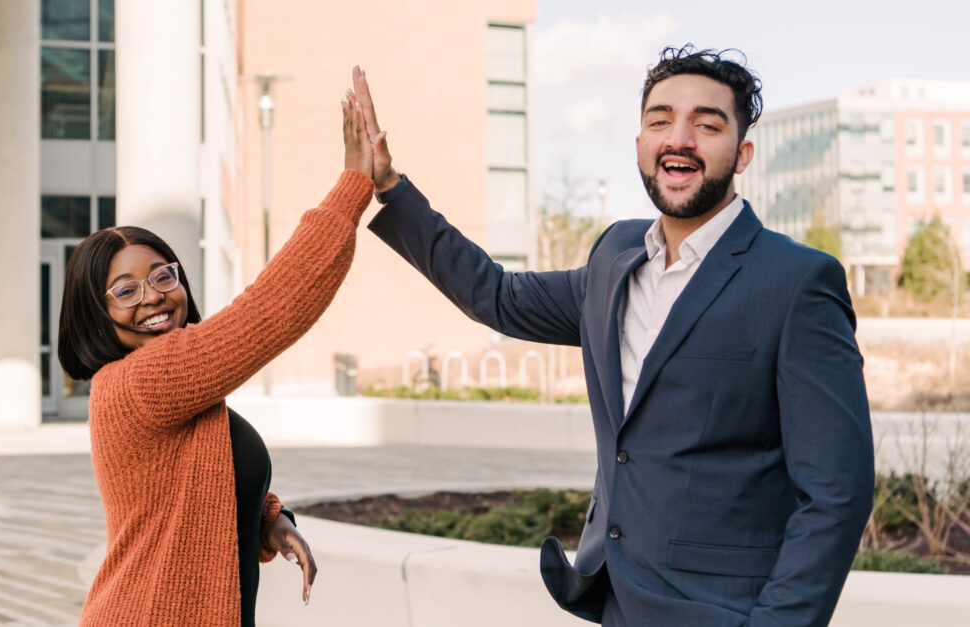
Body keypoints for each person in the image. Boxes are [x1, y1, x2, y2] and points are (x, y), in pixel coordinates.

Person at [351, 46, 874, 627]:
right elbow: (494, 295)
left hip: (727, 614)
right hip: (617, 602)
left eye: (707, 124)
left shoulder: (797, 281)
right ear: (639, 146)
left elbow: (836, 495)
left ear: (742, 153)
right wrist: (390, 186)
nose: (680, 139)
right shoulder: (615, 257)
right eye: (659, 121)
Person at [58, 92, 377, 626]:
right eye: (126, 291)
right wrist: (353, 185)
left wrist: (268, 518)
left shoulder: (178, 392)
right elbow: (273, 310)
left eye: (163, 276)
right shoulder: (141, 380)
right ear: (95, 314)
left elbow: (193, 476)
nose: (154, 297)